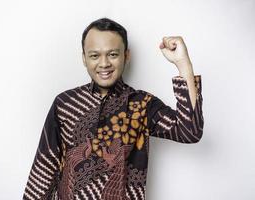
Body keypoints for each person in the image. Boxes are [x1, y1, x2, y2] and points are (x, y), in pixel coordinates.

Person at [22, 17, 203, 200]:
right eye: (94, 55)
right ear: (84, 58)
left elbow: (190, 132)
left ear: (126, 55)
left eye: (113, 54)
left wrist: (183, 64)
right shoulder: (65, 104)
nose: (104, 63)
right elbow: (44, 167)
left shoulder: (142, 104)